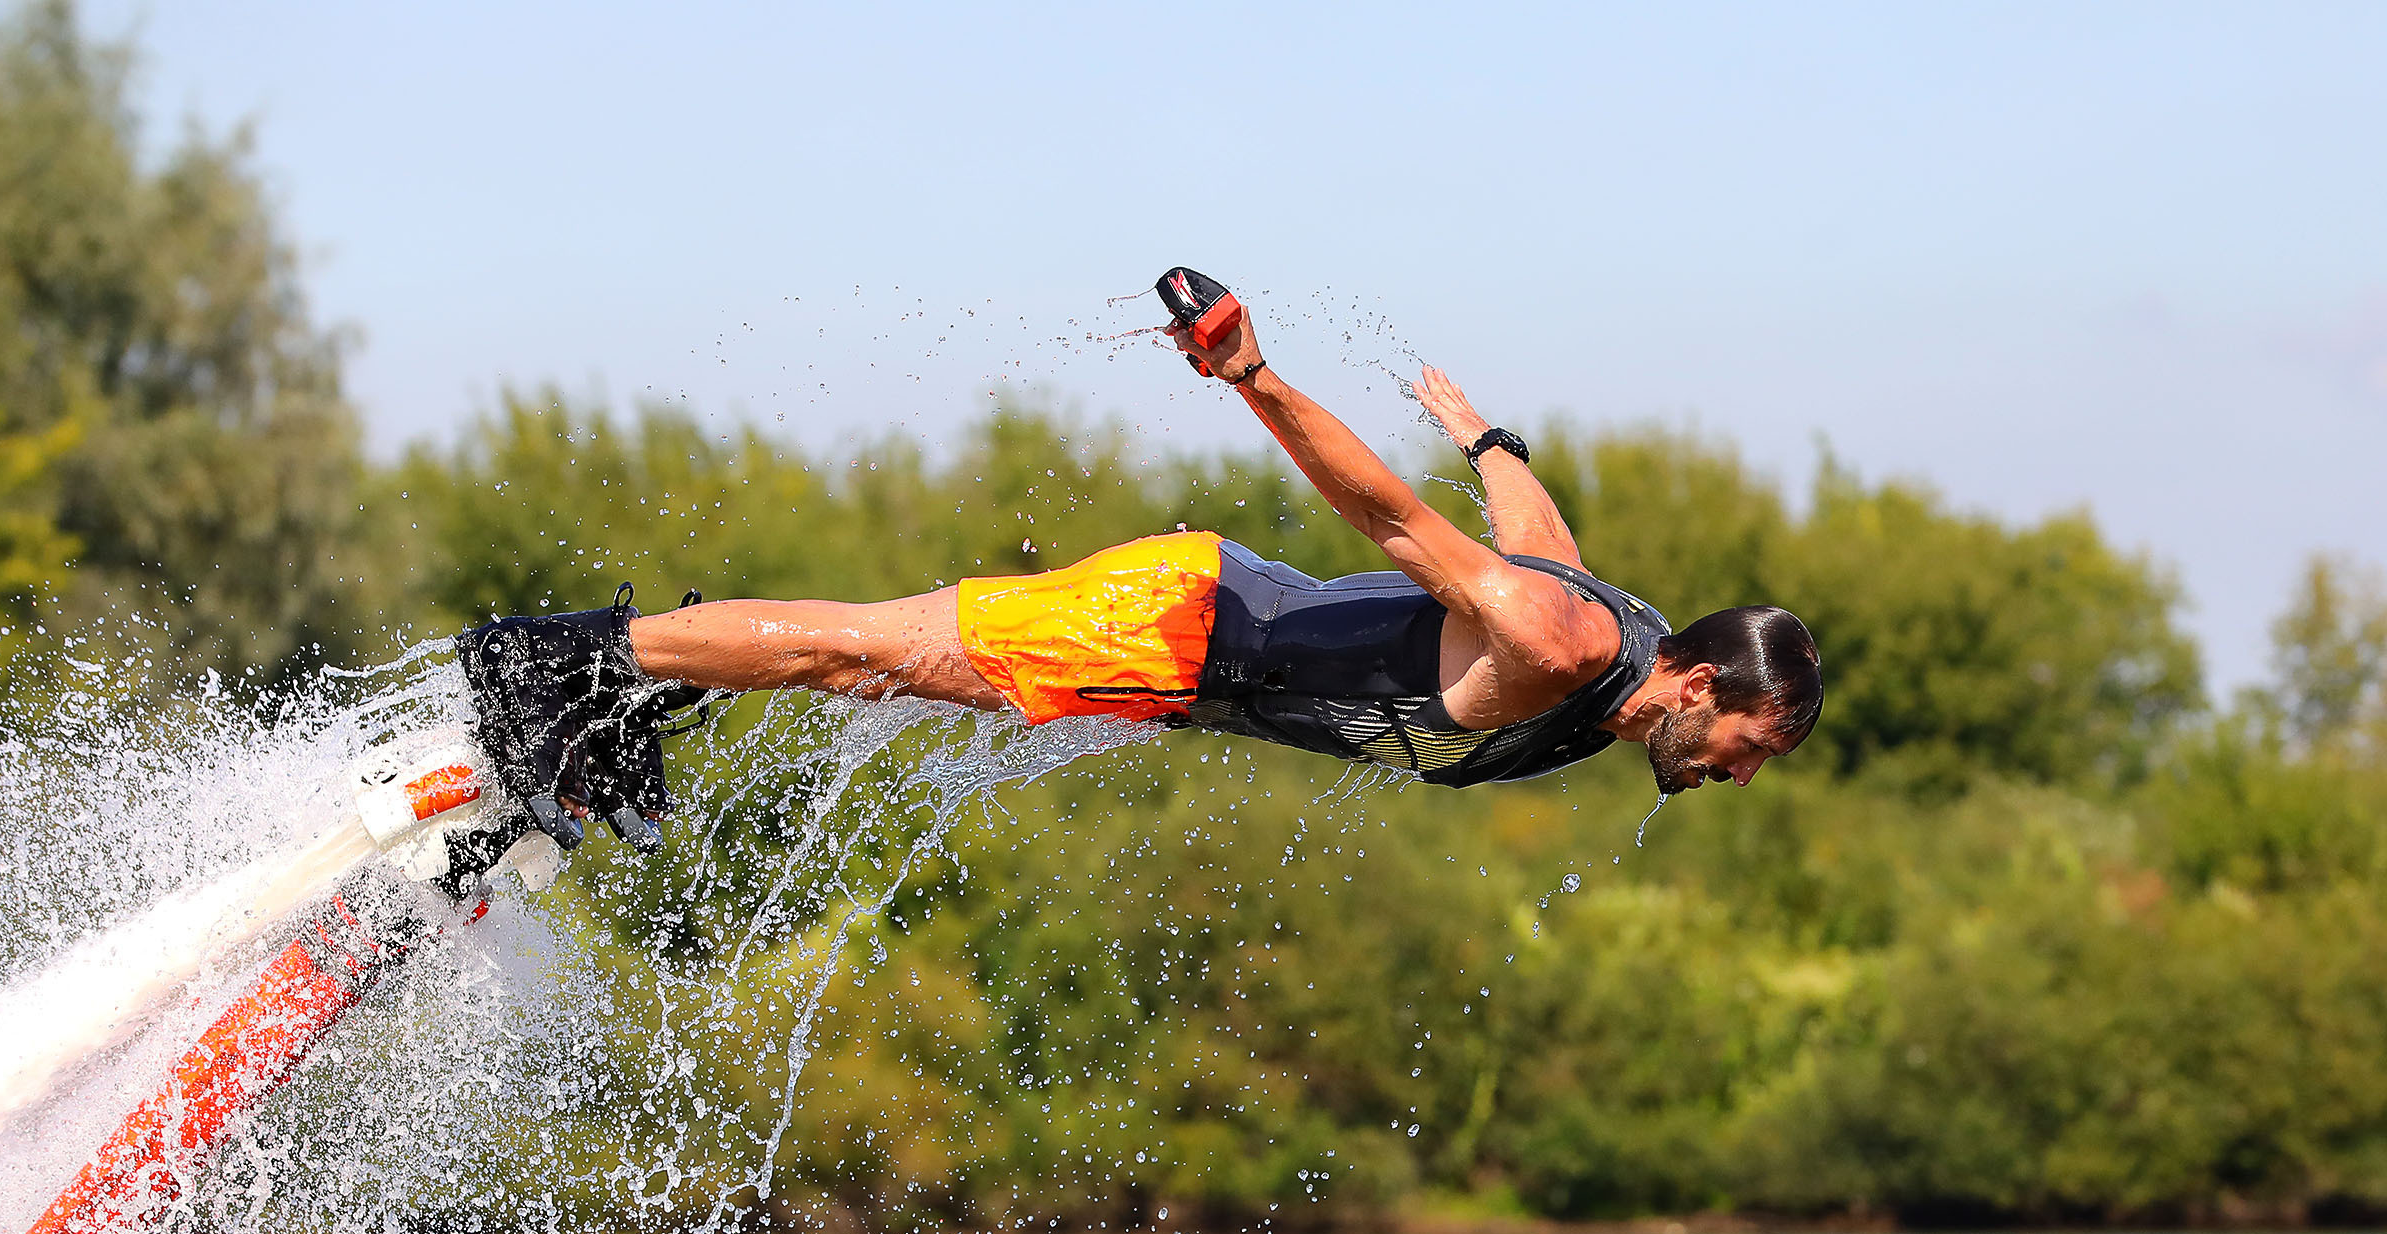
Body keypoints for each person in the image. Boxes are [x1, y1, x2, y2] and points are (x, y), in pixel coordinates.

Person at [456, 280, 1823, 848]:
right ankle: (565, 662)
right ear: (1698, 679)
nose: (1738, 773)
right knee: (862, 649)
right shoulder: (1578, 649)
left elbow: (1537, 533)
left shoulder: (1605, 631)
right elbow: (1395, 524)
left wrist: (1488, 434)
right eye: (1746, 743)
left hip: (1183, 662)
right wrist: (1254, 377)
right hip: (1182, 629)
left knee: (869, 667)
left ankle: (620, 697)